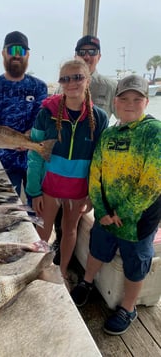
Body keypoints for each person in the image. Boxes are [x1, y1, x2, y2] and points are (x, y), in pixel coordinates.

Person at [71, 75, 161, 335]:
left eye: (137, 99)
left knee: (136, 264)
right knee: (97, 250)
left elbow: (153, 183)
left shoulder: (154, 132)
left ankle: (128, 308)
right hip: (105, 216)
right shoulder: (109, 134)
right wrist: (102, 210)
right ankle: (87, 283)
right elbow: (95, 171)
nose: (130, 104)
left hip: (138, 221)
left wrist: (122, 213)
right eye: (124, 98)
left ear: (146, 102)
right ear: (115, 102)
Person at [26, 58, 109, 283]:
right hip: (49, 187)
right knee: (42, 230)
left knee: (69, 230)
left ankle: (62, 271)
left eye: (77, 77)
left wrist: (93, 194)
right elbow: (34, 153)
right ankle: (38, 271)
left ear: (88, 80)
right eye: (65, 78)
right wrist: (33, 191)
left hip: (78, 191)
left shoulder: (100, 118)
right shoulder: (46, 113)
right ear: (60, 82)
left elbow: (100, 162)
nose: (71, 82)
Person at [53, 35, 117, 265]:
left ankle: (68, 261)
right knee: (60, 218)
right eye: (82, 51)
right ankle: (60, 251)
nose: (87, 55)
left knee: (75, 218)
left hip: (91, 163)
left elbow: (123, 121)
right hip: (63, 165)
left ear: (99, 56)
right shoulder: (66, 83)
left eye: (92, 51)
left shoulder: (111, 86)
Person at [0, 31, 48, 202]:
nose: (17, 55)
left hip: (34, 163)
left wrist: (26, 137)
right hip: (3, 166)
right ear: (3, 53)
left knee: (37, 214)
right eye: (12, 50)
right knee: (7, 216)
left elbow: (39, 121)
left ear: (28, 55)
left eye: (22, 51)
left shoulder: (39, 87)